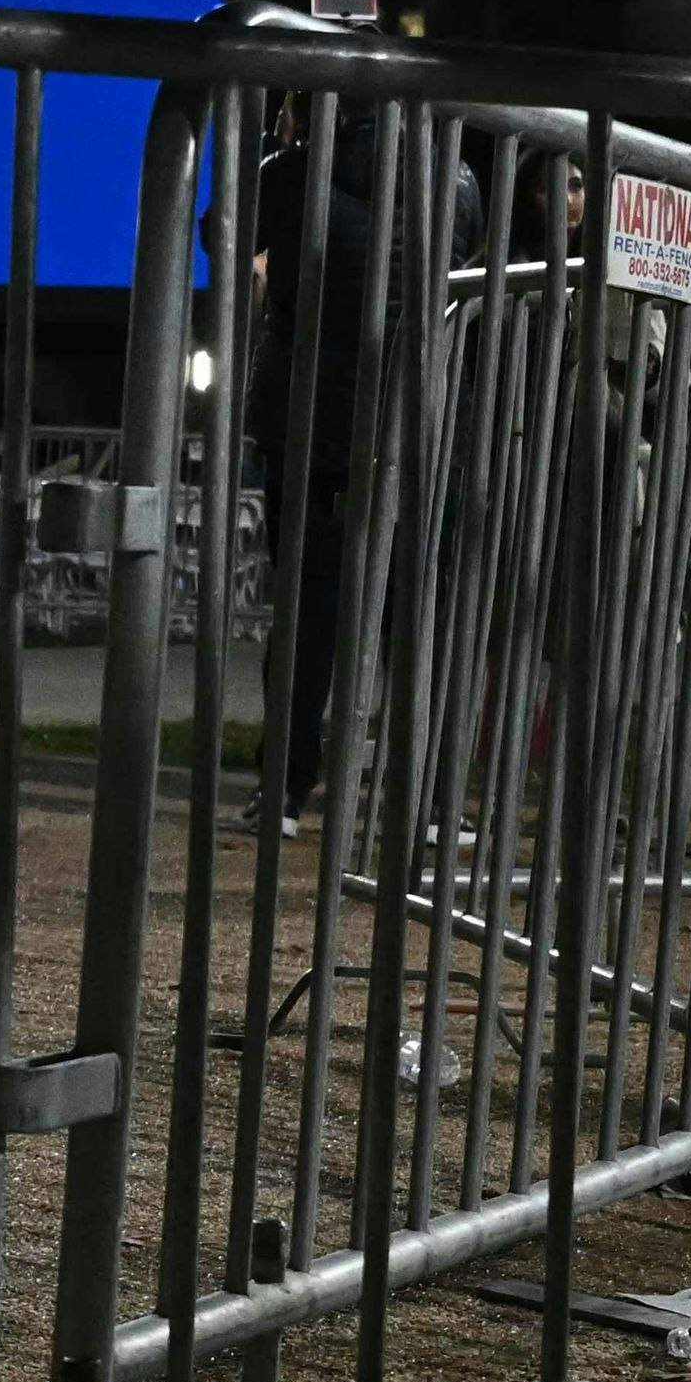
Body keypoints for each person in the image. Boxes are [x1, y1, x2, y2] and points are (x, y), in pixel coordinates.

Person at [238, 101, 476, 834]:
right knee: (419, 618)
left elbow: (236, 241)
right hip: (421, 420)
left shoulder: (290, 173)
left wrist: (284, 146)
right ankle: (431, 800)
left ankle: (283, 791)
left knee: (307, 610)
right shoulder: (456, 179)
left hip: (312, 420)